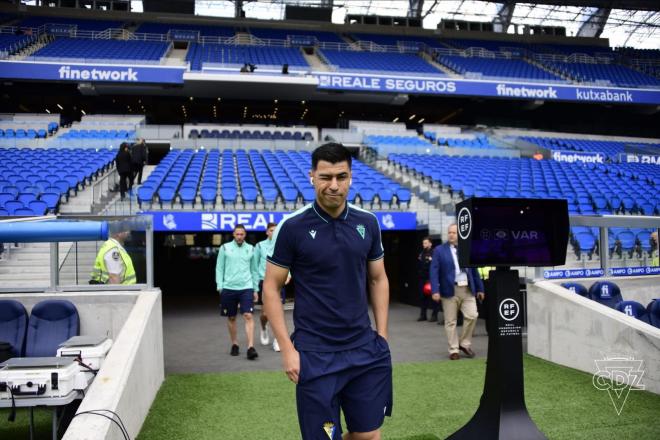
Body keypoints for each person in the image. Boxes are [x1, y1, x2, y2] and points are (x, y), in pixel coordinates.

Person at [263, 143, 392, 440]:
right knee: (326, 436)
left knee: (368, 434)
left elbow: (378, 279)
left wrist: (382, 335)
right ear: (312, 177)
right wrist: (287, 349)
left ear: (350, 178)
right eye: (325, 177)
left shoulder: (368, 223)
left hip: (364, 350)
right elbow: (271, 287)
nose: (333, 186)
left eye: (341, 177)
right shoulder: (292, 227)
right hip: (316, 355)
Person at [429, 223, 485, 360]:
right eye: (449, 232)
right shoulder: (439, 250)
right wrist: (435, 290)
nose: (451, 235)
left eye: (454, 233)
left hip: (467, 289)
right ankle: (453, 349)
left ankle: (464, 344)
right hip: (449, 289)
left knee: (472, 315)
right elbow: (434, 271)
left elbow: (474, 270)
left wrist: (480, 288)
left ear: (460, 235)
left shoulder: (466, 249)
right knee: (450, 321)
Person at [216, 224, 258, 360]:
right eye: (237, 234)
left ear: (245, 235)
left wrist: (255, 289)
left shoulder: (251, 249)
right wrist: (220, 287)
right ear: (233, 235)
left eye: (242, 234)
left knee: (248, 316)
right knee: (231, 317)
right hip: (228, 288)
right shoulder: (225, 248)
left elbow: (254, 271)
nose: (239, 236)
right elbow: (219, 268)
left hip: (246, 287)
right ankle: (234, 344)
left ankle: (251, 347)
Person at [251, 222, 290, 352]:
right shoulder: (259, 246)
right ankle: (263, 328)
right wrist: (255, 286)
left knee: (279, 311)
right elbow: (254, 267)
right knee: (265, 313)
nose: (274, 232)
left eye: (276, 230)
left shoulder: (282, 244)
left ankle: (277, 340)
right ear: (267, 232)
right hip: (264, 281)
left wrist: (289, 274)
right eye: (271, 230)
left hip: (279, 280)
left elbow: (289, 261)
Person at [417, 236, 439, 322]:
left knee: (433, 297)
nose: (424, 245)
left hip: (431, 278)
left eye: (426, 243)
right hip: (422, 278)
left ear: (430, 243)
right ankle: (423, 315)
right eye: (423, 243)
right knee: (422, 297)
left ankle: (434, 315)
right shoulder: (421, 253)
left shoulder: (434, 253)